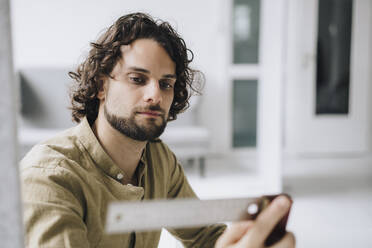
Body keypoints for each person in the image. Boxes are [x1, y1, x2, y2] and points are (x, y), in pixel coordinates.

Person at [20, 12, 295, 248]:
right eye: (137, 79)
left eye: (166, 84)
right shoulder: (48, 179)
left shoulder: (160, 161)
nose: (155, 95)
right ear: (102, 86)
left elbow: (204, 237)